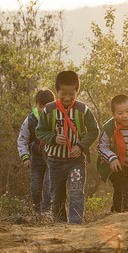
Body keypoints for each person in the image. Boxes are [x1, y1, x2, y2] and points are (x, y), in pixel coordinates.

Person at [36, 70, 99, 224]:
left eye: (72, 93)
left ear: (77, 91)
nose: (67, 97)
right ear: (56, 90)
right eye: (63, 93)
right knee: (56, 195)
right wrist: (53, 138)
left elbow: (94, 130)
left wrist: (81, 146)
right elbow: (39, 131)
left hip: (75, 161)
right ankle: (60, 224)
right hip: (54, 161)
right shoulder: (49, 110)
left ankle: (75, 224)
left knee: (76, 192)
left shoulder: (82, 110)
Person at [97, 94, 128, 212]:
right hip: (114, 165)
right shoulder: (109, 127)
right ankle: (126, 215)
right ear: (113, 115)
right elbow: (101, 147)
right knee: (122, 188)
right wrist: (112, 158)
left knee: (126, 189)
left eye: (127, 111)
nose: (125, 116)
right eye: (120, 113)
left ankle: (114, 212)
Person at [17, 89, 55, 214]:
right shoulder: (30, 120)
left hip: (53, 156)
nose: (43, 109)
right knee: (35, 186)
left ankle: (47, 211)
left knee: (51, 184)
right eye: (40, 106)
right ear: (36, 105)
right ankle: (36, 211)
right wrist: (25, 156)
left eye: (47, 106)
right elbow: (22, 139)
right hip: (37, 157)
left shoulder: (56, 118)